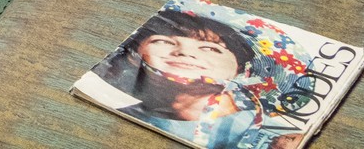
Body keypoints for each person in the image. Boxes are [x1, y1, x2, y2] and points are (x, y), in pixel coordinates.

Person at [88, 9, 262, 148]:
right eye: (163, 41)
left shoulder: (266, 123)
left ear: (242, 69)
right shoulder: (120, 116)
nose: (185, 52)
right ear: (134, 56)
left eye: (210, 48)